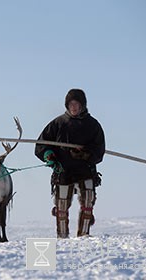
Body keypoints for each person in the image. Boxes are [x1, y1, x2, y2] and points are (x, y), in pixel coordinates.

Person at [35, 89, 105, 238]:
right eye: (71, 104)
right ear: (67, 105)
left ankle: (84, 235)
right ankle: (62, 237)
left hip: (85, 170)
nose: (73, 107)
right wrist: (49, 156)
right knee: (61, 206)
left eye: (76, 104)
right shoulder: (58, 123)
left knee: (88, 202)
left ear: (82, 105)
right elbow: (41, 145)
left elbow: (99, 149)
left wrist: (86, 154)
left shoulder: (93, 125)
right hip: (63, 170)